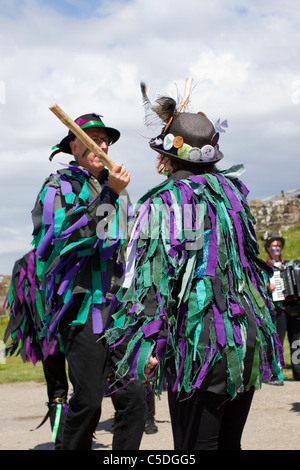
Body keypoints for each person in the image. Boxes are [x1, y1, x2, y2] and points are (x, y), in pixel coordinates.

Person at [104, 86, 284, 450]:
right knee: (228, 443)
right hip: (244, 335)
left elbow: (152, 280)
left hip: (200, 344)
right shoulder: (233, 197)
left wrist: (148, 342)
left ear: (166, 158)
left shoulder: (162, 202)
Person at [30, 112, 147, 450]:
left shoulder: (119, 190)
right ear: (73, 147)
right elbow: (74, 240)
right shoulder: (57, 186)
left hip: (118, 306)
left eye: (105, 139)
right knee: (90, 400)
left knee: (135, 395)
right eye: (91, 139)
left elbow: (127, 249)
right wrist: (109, 194)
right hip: (81, 305)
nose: (102, 144)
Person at [263, 232, 300, 382]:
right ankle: (276, 373)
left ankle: (298, 372)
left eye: (279, 245)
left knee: (296, 340)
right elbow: (258, 284)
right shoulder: (266, 267)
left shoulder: (291, 265)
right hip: (279, 308)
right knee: (278, 339)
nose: (276, 248)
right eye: (273, 246)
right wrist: (267, 286)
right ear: (268, 248)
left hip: (295, 307)